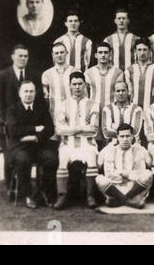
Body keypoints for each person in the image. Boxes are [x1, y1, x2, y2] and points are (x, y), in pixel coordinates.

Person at [0, 44, 43, 188]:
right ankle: (12, 187)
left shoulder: (33, 76)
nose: (23, 58)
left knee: (27, 156)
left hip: (28, 125)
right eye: (20, 55)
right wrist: (9, 124)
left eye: (25, 56)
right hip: (8, 126)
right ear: (13, 57)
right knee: (11, 155)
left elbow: (37, 101)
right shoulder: (2, 75)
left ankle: (27, 187)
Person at [6, 81, 58, 209]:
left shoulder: (41, 108)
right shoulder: (12, 110)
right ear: (19, 93)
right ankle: (28, 195)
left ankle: (45, 192)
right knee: (23, 160)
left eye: (31, 91)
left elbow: (50, 128)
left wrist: (35, 137)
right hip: (19, 147)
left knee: (51, 159)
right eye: (25, 91)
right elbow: (14, 130)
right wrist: (36, 128)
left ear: (35, 93)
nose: (28, 94)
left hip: (38, 145)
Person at [54, 71, 100, 210]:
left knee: (92, 158)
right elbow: (59, 130)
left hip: (88, 143)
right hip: (68, 144)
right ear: (70, 86)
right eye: (74, 84)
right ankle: (62, 196)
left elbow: (93, 130)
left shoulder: (93, 104)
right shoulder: (63, 105)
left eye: (80, 84)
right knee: (62, 159)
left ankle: (90, 196)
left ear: (85, 85)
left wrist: (72, 129)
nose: (78, 87)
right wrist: (81, 128)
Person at [96, 124, 152, 209]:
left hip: (134, 187)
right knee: (99, 179)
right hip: (115, 188)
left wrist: (126, 174)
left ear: (132, 137)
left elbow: (145, 169)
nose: (125, 139)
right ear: (117, 137)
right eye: (122, 136)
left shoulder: (140, 150)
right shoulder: (110, 150)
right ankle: (129, 201)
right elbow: (106, 172)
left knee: (148, 174)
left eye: (127, 136)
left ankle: (120, 200)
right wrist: (123, 176)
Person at [85, 42, 124, 148]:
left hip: (111, 113)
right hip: (94, 113)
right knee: (93, 144)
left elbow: (120, 94)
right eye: (100, 52)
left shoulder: (118, 72)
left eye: (106, 52)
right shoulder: (88, 73)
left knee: (111, 144)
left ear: (110, 54)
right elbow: (86, 95)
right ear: (96, 55)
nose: (103, 55)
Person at [42, 42, 76, 132]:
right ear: (53, 55)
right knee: (55, 144)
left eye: (62, 52)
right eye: (56, 53)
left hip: (72, 115)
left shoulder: (75, 71)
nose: (59, 55)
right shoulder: (47, 74)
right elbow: (44, 98)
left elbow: (83, 95)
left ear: (66, 53)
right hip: (54, 116)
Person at [124, 38, 154, 111]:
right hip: (133, 111)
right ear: (135, 51)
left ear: (149, 51)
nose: (142, 53)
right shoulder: (129, 71)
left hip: (152, 111)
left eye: (145, 49)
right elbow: (127, 94)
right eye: (139, 50)